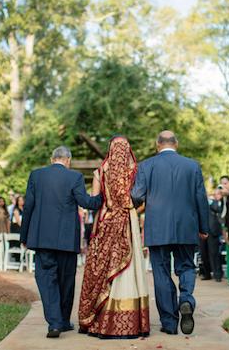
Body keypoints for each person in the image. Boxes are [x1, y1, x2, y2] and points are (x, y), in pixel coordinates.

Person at [131, 131, 209, 335]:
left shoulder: (147, 166)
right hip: (186, 226)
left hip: (158, 228)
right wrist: (203, 227)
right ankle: (186, 300)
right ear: (177, 144)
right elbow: (201, 198)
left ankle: (169, 323)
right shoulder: (192, 166)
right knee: (186, 266)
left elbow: (136, 195)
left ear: (157, 145)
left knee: (161, 273)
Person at [20, 146, 101, 339]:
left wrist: (24, 236)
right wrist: (104, 197)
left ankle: (55, 322)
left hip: (42, 239)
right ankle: (63, 321)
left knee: (47, 280)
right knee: (66, 282)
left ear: (52, 158)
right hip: (66, 239)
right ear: (68, 160)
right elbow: (86, 202)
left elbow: (28, 207)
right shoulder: (75, 177)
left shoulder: (36, 176)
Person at [78, 136, 149, 339]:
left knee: (103, 267)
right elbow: (141, 200)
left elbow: (95, 201)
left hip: (106, 222)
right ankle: (130, 322)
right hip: (129, 221)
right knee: (129, 267)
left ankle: (101, 320)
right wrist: (131, 208)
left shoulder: (100, 171)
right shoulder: (135, 170)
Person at [200, 189, 224, 282]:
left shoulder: (213, 202)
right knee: (203, 254)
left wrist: (209, 201)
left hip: (212, 230)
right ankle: (207, 274)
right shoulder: (198, 204)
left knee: (214, 253)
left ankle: (217, 274)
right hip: (201, 231)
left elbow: (218, 209)